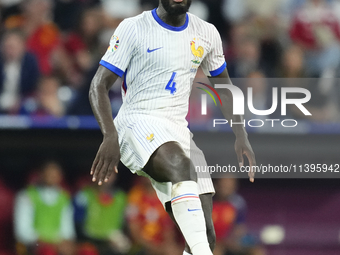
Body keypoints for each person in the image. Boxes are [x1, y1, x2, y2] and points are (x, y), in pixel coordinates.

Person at [89, 1, 256, 255]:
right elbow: (98, 85)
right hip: (138, 120)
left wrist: (240, 133)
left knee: (205, 234)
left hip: (178, 128)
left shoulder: (207, 32)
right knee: (182, 167)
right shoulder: (133, 28)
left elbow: (223, 87)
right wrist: (109, 134)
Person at [14, 161, 75, 255]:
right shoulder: (27, 196)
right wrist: (40, 241)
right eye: (48, 174)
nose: (52, 177)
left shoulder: (64, 198)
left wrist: (64, 242)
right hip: (34, 245)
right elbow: (22, 231)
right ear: (41, 174)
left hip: (58, 245)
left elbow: (67, 229)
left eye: (55, 174)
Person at [74, 174, 130, 255]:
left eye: (110, 173)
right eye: (102, 171)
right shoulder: (84, 195)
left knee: (125, 247)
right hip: (90, 239)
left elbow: (126, 223)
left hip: (114, 238)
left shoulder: (121, 197)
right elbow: (77, 223)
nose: (106, 176)